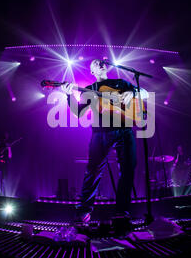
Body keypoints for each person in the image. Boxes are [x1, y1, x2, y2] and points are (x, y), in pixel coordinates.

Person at [61, 59, 149, 223]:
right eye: (95, 63)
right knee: (93, 172)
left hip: (125, 130)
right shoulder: (90, 89)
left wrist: (134, 93)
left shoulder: (121, 83)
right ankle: (83, 211)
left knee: (128, 170)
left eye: (101, 62)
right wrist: (68, 95)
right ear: (92, 71)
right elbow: (78, 113)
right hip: (100, 133)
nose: (100, 63)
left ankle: (121, 212)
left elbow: (145, 93)